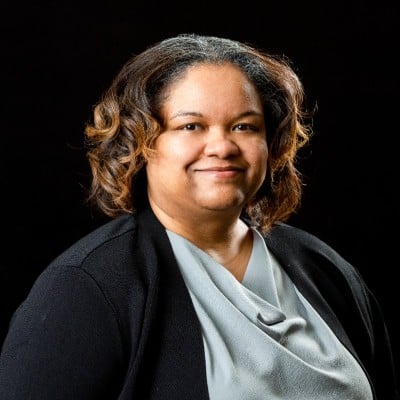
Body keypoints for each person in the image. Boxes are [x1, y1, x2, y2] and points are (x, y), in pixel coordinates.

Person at [0, 33, 398, 400]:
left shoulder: (327, 272)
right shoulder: (86, 288)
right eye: (191, 125)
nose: (222, 146)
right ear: (139, 142)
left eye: (244, 126)